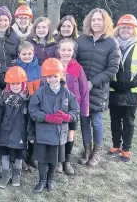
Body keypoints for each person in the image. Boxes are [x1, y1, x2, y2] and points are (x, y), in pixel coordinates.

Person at [76, 8, 120, 167]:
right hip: (81, 88)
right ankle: (86, 150)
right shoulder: (81, 40)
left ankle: (97, 152)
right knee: (84, 121)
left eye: (99, 20)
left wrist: (93, 82)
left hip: (98, 89)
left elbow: (113, 69)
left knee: (97, 121)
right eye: (93, 20)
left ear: (104, 22)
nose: (96, 22)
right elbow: (74, 62)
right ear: (89, 21)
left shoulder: (111, 43)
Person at [29, 58, 79, 193]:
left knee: (54, 160)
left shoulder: (67, 94)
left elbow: (76, 111)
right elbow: (32, 111)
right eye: (49, 77)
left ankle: (50, 180)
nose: (52, 79)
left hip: (59, 134)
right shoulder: (39, 92)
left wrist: (68, 117)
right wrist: (46, 117)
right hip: (43, 133)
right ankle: (42, 180)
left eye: (55, 76)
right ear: (45, 77)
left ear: (61, 75)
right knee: (42, 160)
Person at [108, 14, 137, 164]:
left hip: (132, 91)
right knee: (115, 120)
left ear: (134, 29)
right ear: (118, 28)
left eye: (129, 28)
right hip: (114, 89)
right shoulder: (111, 43)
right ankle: (116, 145)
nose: (126, 30)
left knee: (129, 121)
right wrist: (112, 82)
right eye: (123, 27)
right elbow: (105, 65)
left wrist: (133, 83)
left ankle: (126, 149)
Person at [0, 66, 29, 188]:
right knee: (4, 153)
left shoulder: (27, 100)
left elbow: (30, 119)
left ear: (23, 84)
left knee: (19, 154)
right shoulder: (4, 99)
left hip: (20, 133)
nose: (15, 86)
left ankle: (17, 174)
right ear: (8, 85)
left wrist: (30, 134)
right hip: (5, 132)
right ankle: (6, 175)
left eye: (18, 83)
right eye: (12, 84)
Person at [56, 39, 89, 175]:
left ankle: (67, 160)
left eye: (69, 50)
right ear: (59, 51)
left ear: (73, 51)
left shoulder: (77, 67)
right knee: (58, 133)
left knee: (70, 133)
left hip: (72, 107)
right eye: (63, 50)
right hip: (57, 106)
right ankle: (59, 160)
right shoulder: (54, 64)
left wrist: (84, 109)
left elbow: (84, 89)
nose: (66, 53)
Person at [15, 41, 42, 170]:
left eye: (29, 54)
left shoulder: (39, 69)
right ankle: (22, 156)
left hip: (36, 105)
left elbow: (43, 87)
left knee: (34, 130)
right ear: (19, 54)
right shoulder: (15, 69)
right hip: (21, 105)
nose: (27, 56)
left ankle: (33, 156)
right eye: (24, 54)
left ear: (33, 53)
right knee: (22, 131)